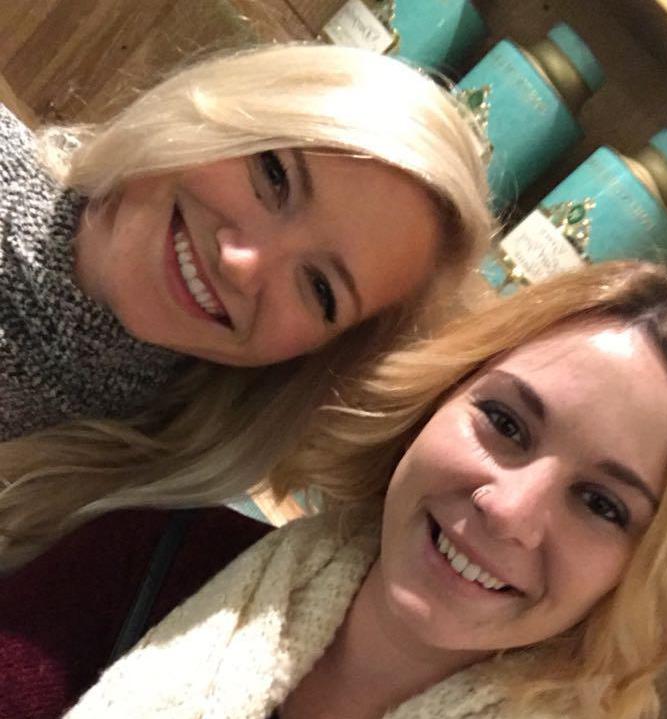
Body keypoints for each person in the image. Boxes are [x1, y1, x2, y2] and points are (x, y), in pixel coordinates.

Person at [25, 261, 667, 719]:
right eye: (505, 423)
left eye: (600, 503)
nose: (508, 510)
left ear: (644, 573)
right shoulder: (145, 555)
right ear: (434, 401)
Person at [0, 42, 492, 568]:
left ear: (317, 355)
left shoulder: (147, 525)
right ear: (219, 114)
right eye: (274, 176)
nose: (242, 262)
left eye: (320, 289)